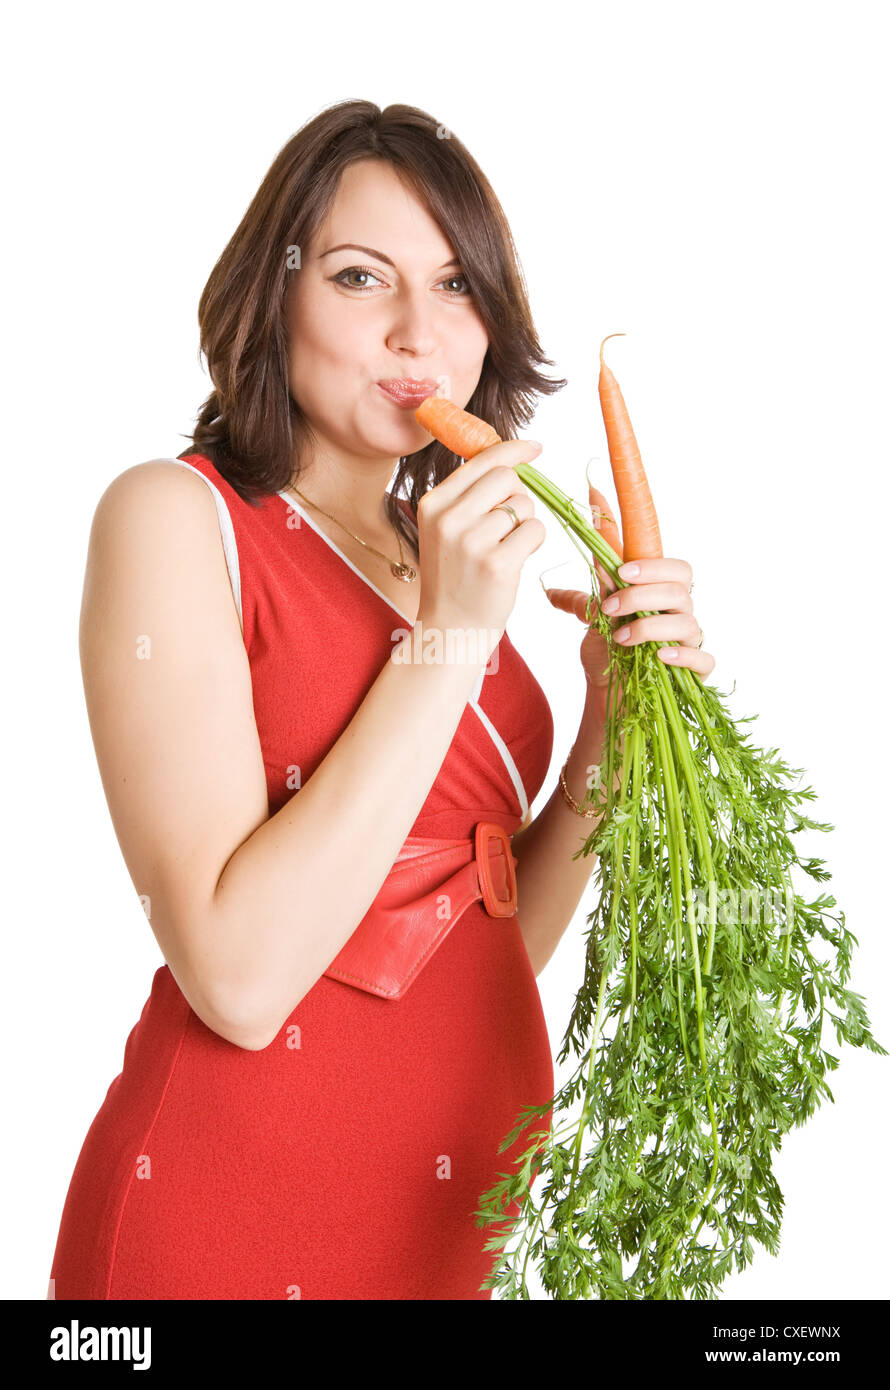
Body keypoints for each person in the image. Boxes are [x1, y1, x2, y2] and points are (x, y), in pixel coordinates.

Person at [48, 100, 714, 1301]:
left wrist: (609, 722)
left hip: (442, 1233)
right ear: (278, 293)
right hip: (222, 1229)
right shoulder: (177, 519)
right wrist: (450, 635)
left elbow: (487, 944)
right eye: (360, 278)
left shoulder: (432, 550)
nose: (417, 331)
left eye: (456, 286)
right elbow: (241, 981)